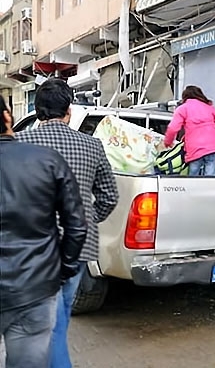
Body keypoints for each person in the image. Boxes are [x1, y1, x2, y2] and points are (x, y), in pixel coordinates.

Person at [16, 78, 119, 368]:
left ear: (37, 112)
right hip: (76, 250)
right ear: (69, 111)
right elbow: (109, 197)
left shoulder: (18, 144)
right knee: (57, 320)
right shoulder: (92, 146)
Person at [0, 95, 87, 368]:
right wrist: (63, 269)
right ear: (7, 117)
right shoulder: (47, 161)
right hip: (35, 287)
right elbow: (76, 224)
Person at [164, 85, 215, 176]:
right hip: (213, 147)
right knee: (211, 177)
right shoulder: (209, 107)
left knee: (193, 177)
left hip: (195, 148)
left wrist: (167, 142)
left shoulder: (183, 109)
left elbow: (173, 128)